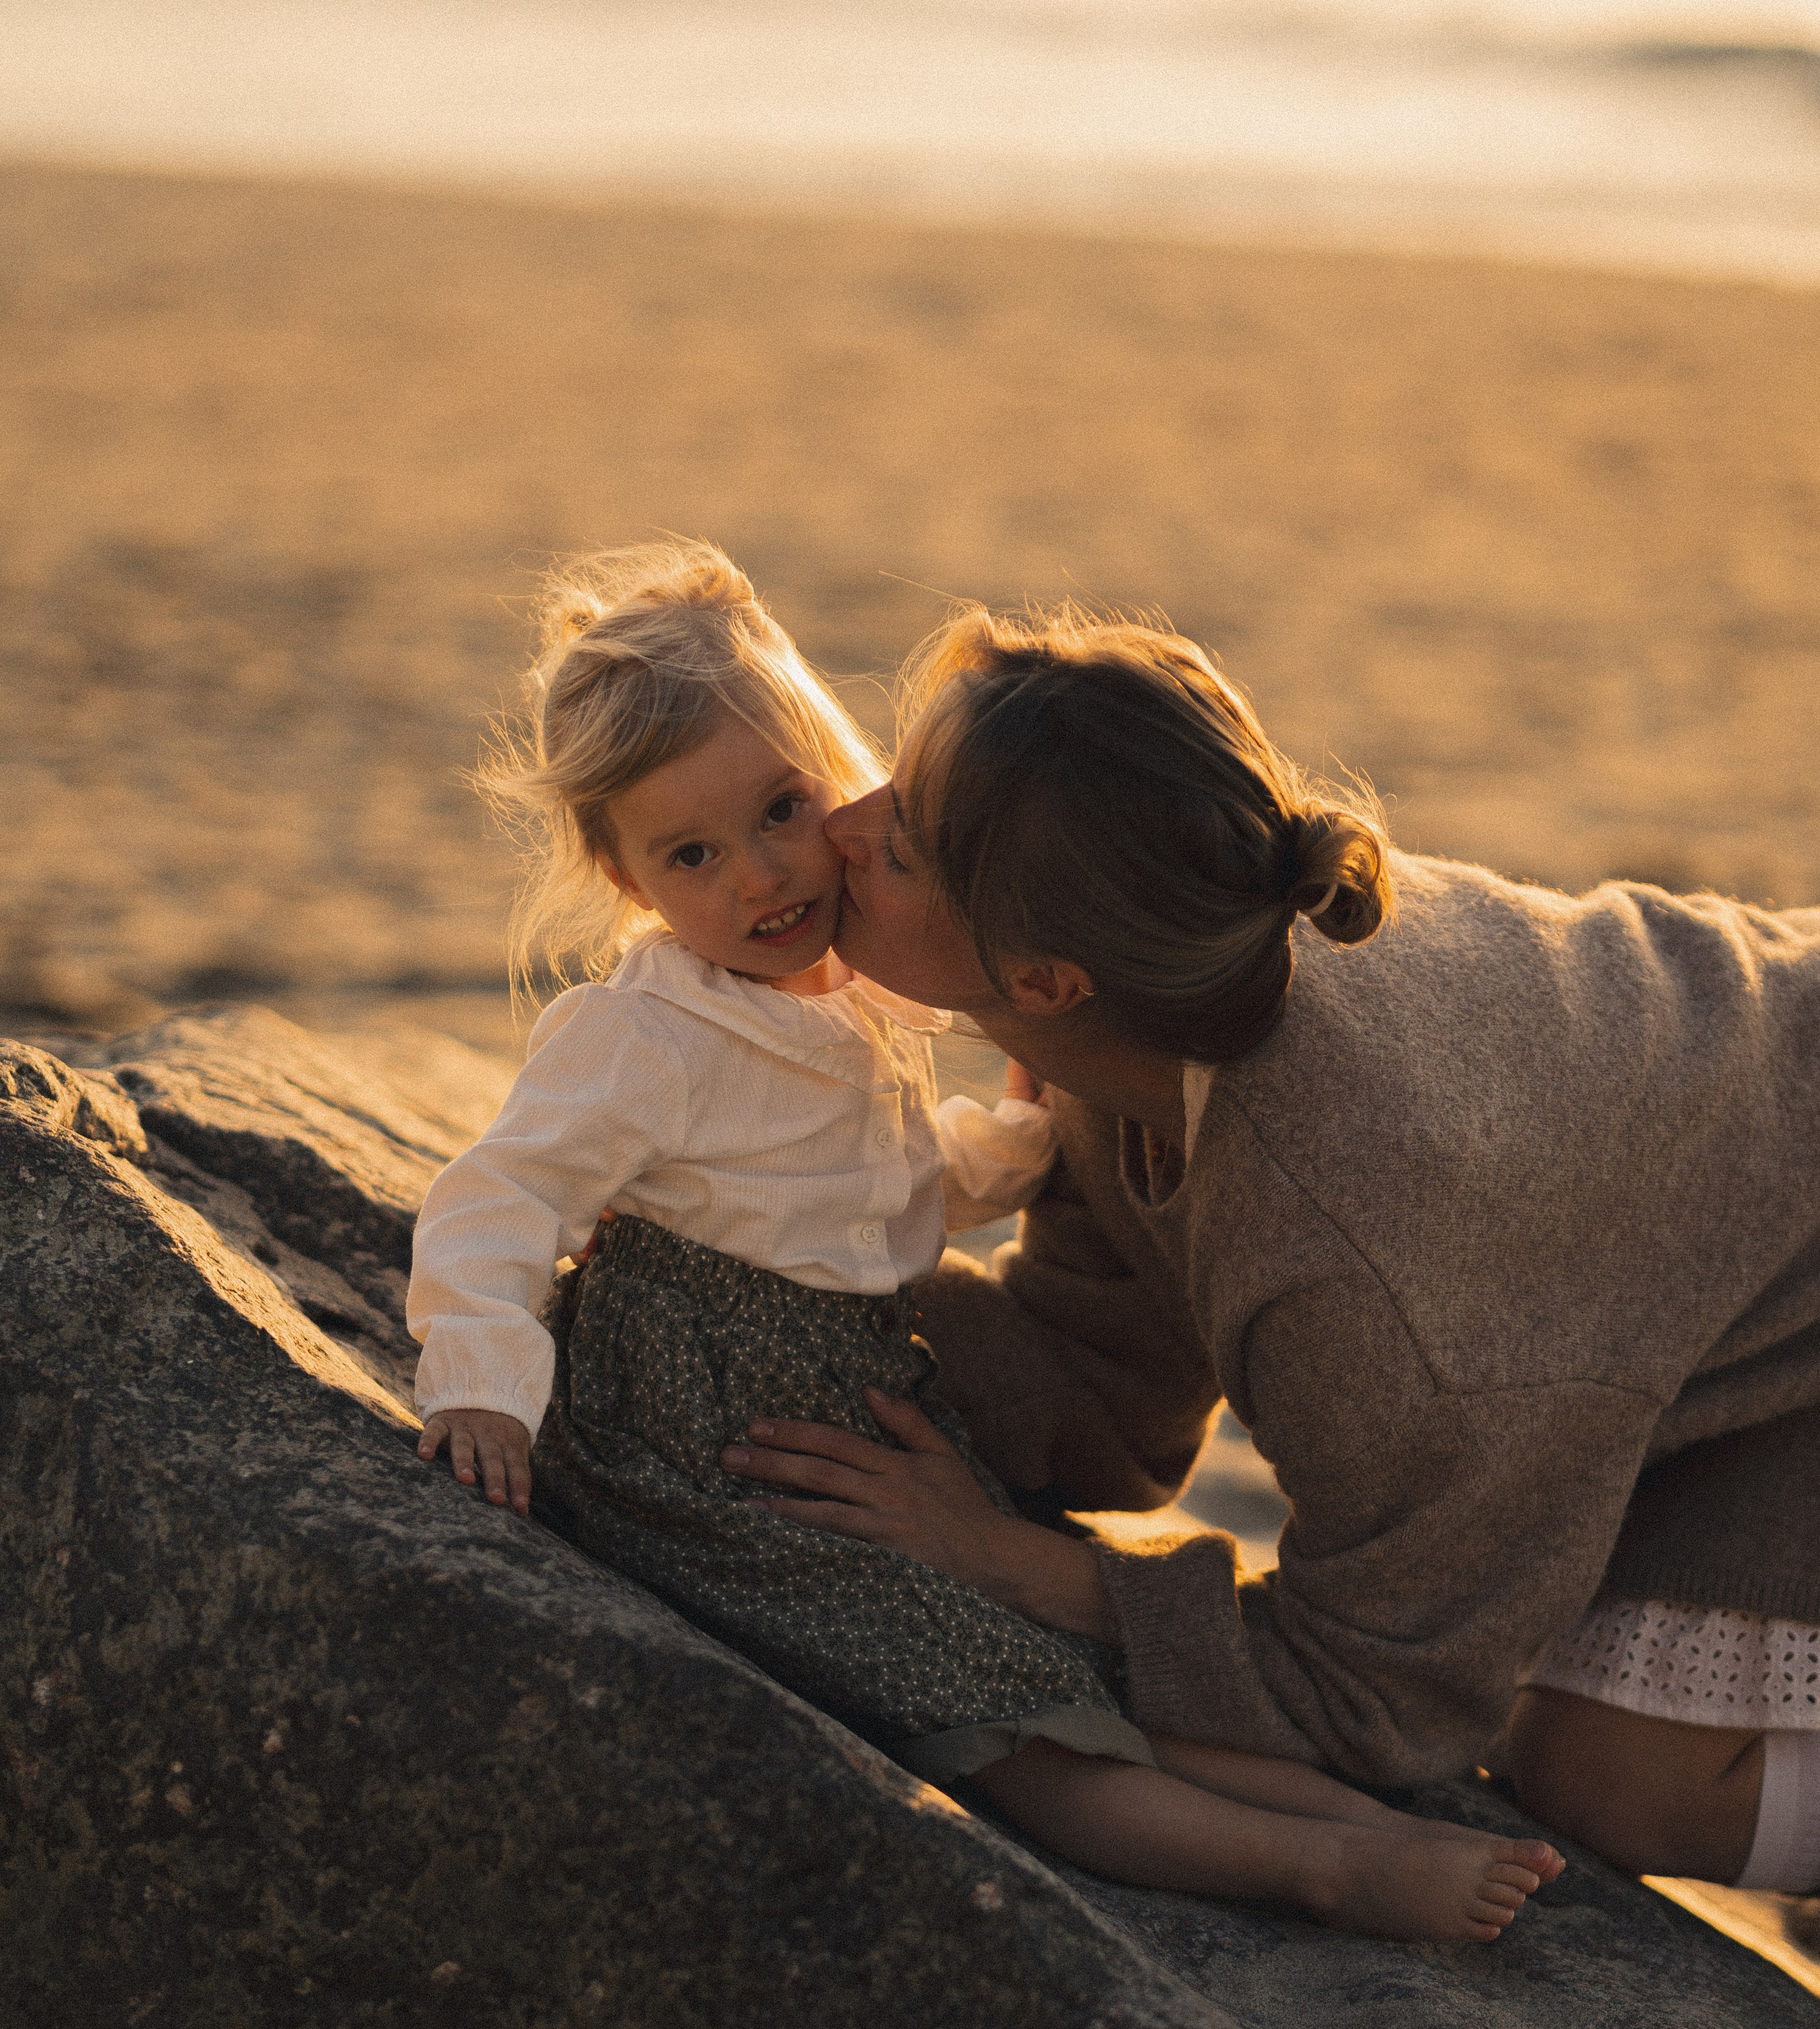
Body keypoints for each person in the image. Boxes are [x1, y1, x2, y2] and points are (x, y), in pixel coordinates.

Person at [407, 542, 1561, 1941]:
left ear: (829, 770)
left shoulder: (834, 991)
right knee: (1000, 1725)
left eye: (783, 810)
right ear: (625, 875)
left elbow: (870, 1184)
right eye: (693, 855)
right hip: (712, 1431)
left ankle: (1360, 1820)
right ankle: (1321, 1869)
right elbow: (500, 1194)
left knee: (1036, 1656)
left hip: (846, 1389)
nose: (764, 875)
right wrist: (479, 1377)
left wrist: (1013, 1147)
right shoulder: (642, 1033)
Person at [718, 601, 1820, 1894]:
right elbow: (1106, 1398)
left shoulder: (1364, 1264)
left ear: (1045, 980)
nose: (844, 826)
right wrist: (745, 1236)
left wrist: (1020, 1568)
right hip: (1720, 1213)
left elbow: (1378, 1702)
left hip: (1764, 1240)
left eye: (899, 843)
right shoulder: (1150, 977)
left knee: (1616, 1780)